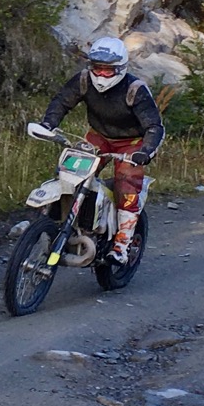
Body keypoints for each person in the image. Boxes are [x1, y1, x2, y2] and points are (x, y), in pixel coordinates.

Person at [30, 36, 163, 261]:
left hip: (131, 143)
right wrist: (48, 124)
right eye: (97, 68)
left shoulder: (135, 89)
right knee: (70, 172)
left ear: (120, 68)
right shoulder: (83, 80)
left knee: (127, 183)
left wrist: (146, 151)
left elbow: (154, 126)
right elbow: (62, 101)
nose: (101, 75)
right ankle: (57, 223)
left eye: (107, 70)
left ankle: (122, 244)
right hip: (98, 136)